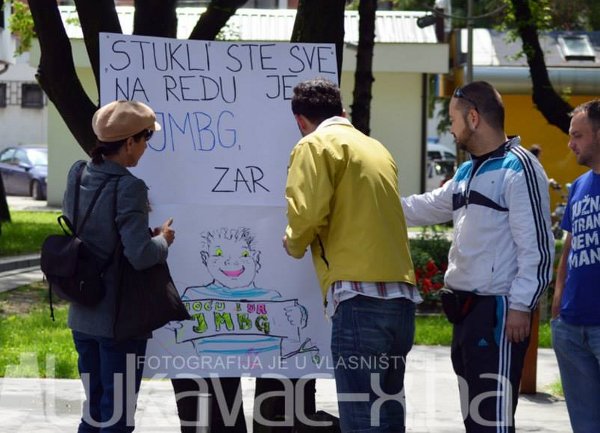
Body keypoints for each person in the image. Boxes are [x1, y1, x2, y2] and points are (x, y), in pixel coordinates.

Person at [402, 81, 554, 432]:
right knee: (476, 419)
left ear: (473, 117)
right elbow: (425, 207)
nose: (450, 128)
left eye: (453, 119)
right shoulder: (467, 171)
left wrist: (520, 306)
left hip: (497, 313)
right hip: (465, 311)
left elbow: (538, 247)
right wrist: (371, 203)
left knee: (493, 420)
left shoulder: (521, 168)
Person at [283, 78, 420, 433]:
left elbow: (307, 214)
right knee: (388, 413)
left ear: (301, 121)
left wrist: (292, 242)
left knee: (361, 418)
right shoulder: (375, 147)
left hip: (359, 298)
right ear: (341, 112)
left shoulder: (314, 144)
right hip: (401, 296)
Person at [63, 100, 175, 432]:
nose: (145, 148)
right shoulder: (130, 187)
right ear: (129, 142)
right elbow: (140, 256)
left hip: (82, 311)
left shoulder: (77, 172)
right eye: (146, 140)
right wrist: (163, 239)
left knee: (94, 410)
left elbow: (82, 226)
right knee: (118, 415)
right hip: (118, 319)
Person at [170, 227, 312, 433]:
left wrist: (301, 316)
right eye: (219, 254)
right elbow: (174, 326)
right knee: (219, 417)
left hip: (269, 366)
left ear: (255, 257)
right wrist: (172, 322)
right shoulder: (193, 295)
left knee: (275, 412)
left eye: (243, 254)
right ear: (204, 257)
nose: (231, 262)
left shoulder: (271, 296)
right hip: (211, 368)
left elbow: (298, 325)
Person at [551, 99, 600, 433]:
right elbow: (570, 246)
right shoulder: (580, 186)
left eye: (578, 135)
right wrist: (557, 307)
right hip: (570, 327)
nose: (570, 143)